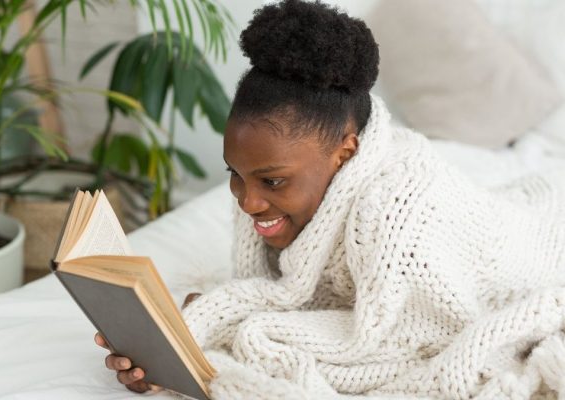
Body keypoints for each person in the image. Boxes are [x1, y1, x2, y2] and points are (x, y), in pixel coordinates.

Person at [96, 0, 565, 398]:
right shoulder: (265, 186)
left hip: (533, 235)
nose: (247, 202)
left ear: (346, 151)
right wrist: (184, 335)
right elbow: (286, 290)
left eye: (272, 182)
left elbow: (409, 338)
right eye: (235, 176)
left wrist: (228, 325)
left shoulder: (398, 212)